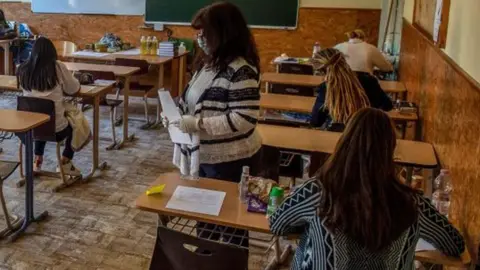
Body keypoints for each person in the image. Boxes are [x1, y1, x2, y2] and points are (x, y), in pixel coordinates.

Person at [270, 108, 465, 270]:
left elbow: (277, 224)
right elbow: (454, 244)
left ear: (344, 142)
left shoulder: (318, 193)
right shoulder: (412, 203)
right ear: (390, 150)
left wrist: (310, 226)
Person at [164, 2, 262, 247]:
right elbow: (196, 100)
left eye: (204, 32)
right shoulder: (207, 64)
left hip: (230, 160)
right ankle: (205, 259)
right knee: (205, 220)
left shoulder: (241, 70)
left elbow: (244, 120)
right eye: (197, 32)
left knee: (230, 227)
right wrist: (176, 113)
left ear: (223, 33)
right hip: (204, 156)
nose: (199, 38)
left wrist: (197, 123)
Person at [17, 37, 81, 176]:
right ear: (53, 52)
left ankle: (37, 160)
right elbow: (73, 88)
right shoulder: (57, 67)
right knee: (76, 124)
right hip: (55, 129)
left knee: (40, 118)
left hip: (28, 128)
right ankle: (65, 162)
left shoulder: (23, 68)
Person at [310, 48, 393, 131]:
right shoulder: (369, 81)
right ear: (344, 62)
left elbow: (316, 121)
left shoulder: (326, 87)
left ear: (322, 71)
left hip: (338, 135)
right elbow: (388, 106)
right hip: (369, 133)